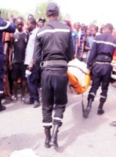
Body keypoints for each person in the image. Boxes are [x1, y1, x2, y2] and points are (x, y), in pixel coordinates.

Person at [33, 2, 74, 148]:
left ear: (46, 15)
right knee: (60, 103)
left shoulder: (41, 31)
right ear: (58, 13)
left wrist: (42, 70)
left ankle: (47, 137)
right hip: (61, 71)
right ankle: (55, 134)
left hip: (47, 72)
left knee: (46, 105)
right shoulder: (67, 30)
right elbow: (71, 54)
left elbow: (36, 58)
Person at [83, 24, 116, 118]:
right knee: (104, 88)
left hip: (97, 65)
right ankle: (100, 108)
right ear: (111, 30)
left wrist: (88, 66)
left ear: (105, 29)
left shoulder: (97, 38)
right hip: (107, 66)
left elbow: (92, 53)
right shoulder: (114, 40)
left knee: (94, 86)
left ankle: (89, 105)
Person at [10, 17, 28, 101]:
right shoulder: (13, 35)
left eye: (21, 24)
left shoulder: (26, 34)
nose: (20, 26)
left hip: (24, 61)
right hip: (15, 61)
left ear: (23, 24)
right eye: (18, 24)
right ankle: (15, 94)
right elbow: (10, 48)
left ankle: (23, 95)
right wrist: (10, 61)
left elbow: (28, 48)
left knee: (24, 79)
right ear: (16, 24)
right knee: (15, 79)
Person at [24, 17, 40, 108]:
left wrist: (31, 62)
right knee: (29, 80)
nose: (27, 26)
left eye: (28, 24)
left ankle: (36, 100)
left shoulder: (35, 34)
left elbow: (35, 49)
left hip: (32, 62)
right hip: (28, 60)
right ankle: (31, 98)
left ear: (33, 24)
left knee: (31, 81)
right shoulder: (31, 34)